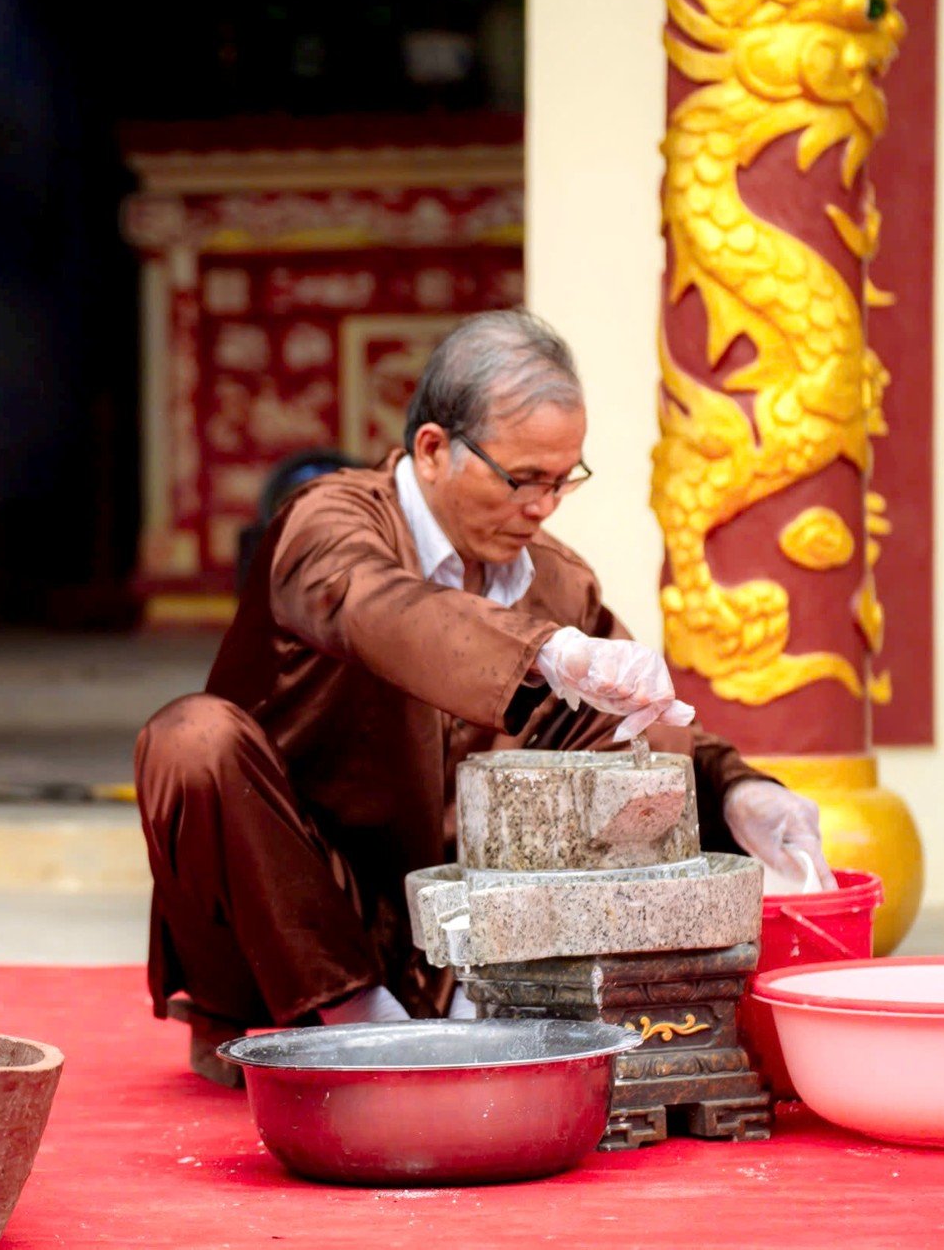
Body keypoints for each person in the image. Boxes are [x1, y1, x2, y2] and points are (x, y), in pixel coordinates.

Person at [136, 309, 833, 1083]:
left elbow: (646, 720)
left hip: (441, 940)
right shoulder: (327, 521)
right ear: (433, 449)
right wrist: (547, 650)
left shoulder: (555, 578)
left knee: (638, 735)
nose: (543, 507)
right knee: (192, 738)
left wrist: (742, 791)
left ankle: (493, 1004)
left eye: (563, 480)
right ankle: (357, 1029)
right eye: (522, 479)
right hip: (286, 933)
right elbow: (388, 612)